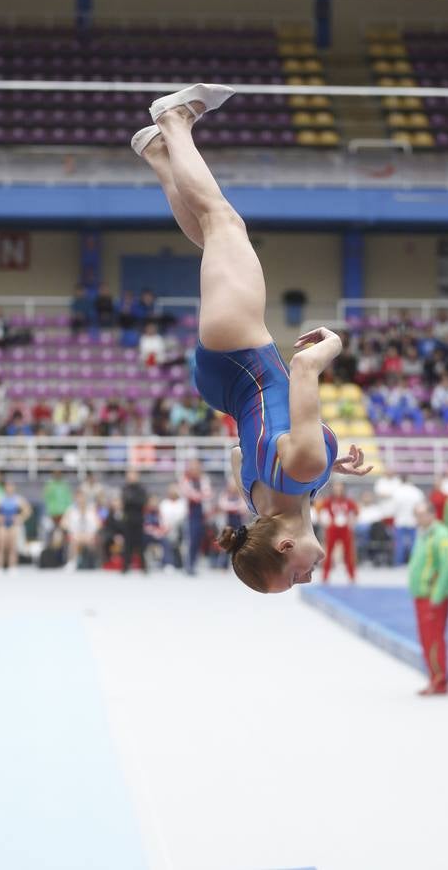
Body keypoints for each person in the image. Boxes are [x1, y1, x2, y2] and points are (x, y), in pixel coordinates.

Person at [131, 82, 370, 593]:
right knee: (213, 238)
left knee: (224, 223)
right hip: (224, 381)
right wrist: (333, 465)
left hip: (242, 353)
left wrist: (335, 342)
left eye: (298, 574)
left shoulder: (303, 473)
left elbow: (305, 366)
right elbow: (243, 456)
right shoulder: (261, 506)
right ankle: (156, 152)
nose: (309, 576)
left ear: (285, 547)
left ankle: (174, 122)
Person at [408, 500, 448, 696]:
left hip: (432, 596)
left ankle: (439, 681)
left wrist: (437, 595)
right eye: (416, 515)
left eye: (420, 515)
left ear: (431, 514)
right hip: (421, 595)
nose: (417, 519)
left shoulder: (441, 535)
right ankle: (433, 677)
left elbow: (447, 567)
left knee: (434, 640)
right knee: (426, 640)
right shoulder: (424, 534)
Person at [319, 480, 358, 582]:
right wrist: (327, 523)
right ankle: (325, 576)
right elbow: (322, 513)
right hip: (332, 528)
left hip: (345, 529)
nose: (338, 489)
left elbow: (355, 512)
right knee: (329, 552)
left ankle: (352, 576)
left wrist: (351, 522)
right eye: (336, 487)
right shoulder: (328, 501)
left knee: (349, 553)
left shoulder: (348, 501)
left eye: (340, 487)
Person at [180, 458, 213, 574]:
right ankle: (188, 564)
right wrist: (201, 495)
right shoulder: (186, 479)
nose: (195, 469)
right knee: (191, 539)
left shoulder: (204, 479)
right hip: (191, 514)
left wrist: (200, 496)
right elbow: (190, 494)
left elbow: (208, 494)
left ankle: (194, 563)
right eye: (192, 467)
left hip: (202, 513)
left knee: (199, 539)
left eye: (196, 466)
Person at [0, 481, 31, 571]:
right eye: (8, 487)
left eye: (11, 487)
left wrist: (20, 518)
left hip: (13, 524)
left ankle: (12, 566)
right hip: (3, 524)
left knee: (13, 546)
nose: (9, 489)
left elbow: (28, 510)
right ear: (5, 488)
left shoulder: (18, 499)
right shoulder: (0, 498)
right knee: (0, 546)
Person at [62, 489, 100, 570]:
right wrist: (73, 532)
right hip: (75, 535)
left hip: (89, 535)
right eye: (78, 498)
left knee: (93, 541)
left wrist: (90, 534)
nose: (80, 500)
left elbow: (98, 524)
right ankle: (72, 562)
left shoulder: (92, 509)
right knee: (74, 540)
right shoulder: (70, 509)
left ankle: (94, 563)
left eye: (82, 497)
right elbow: (63, 524)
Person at [392, 475, 425, 566]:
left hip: (400, 520)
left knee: (399, 543)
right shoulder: (417, 492)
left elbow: (394, 508)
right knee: (414, 543)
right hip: (413, 520)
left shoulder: (397, 492)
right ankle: (414, 562)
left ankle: (398, 563)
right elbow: (420, 508)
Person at [121, 469, 148, 572]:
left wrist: (132, 500)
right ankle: (125, 567)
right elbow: (125, 501)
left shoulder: (141, 488)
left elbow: (142, 502)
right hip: (128, 520)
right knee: (127, 544)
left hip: (139, 519)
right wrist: (132, 500)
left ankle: (143, 566)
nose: (131, 477)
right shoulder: (125, 488)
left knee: (140, 544)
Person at [158, 483, 187, 569]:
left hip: (179, 529)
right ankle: (167, 562)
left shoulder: (182, 503)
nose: (172, 493)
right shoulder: (164, 503)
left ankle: (181, 562)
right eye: (171, 491)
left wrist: (172, 525)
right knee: (165, 538)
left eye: (174, 491)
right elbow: (162, 517)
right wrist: (167, 527)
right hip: (166, 529)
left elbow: (181, 516)